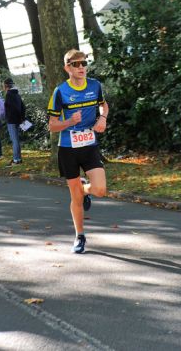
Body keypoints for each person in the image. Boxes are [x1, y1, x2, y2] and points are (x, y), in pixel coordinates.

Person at [47, 49, 109, 254]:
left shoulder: (95, 85)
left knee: (100, 190)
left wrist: (102, 118)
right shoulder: (60, 91)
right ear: (67, 68)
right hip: (68, 148)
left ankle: (84, 189)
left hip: (89, 146)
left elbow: (104, 106)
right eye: (76, 64)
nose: (81, 67)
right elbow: (52, 125)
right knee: (75, 198)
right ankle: (79, 236)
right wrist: (69, 122)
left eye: (84, 63)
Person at [3, 78, 26, 166]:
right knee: (16, 140)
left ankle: (16, 160)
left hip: (12, 121)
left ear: (6, 86)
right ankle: (17, 158)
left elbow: (11, 108)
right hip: (18, 120)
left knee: (15, 140)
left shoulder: (9, 95)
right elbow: (23, 107)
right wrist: (22, 118)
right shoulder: (17, 94)